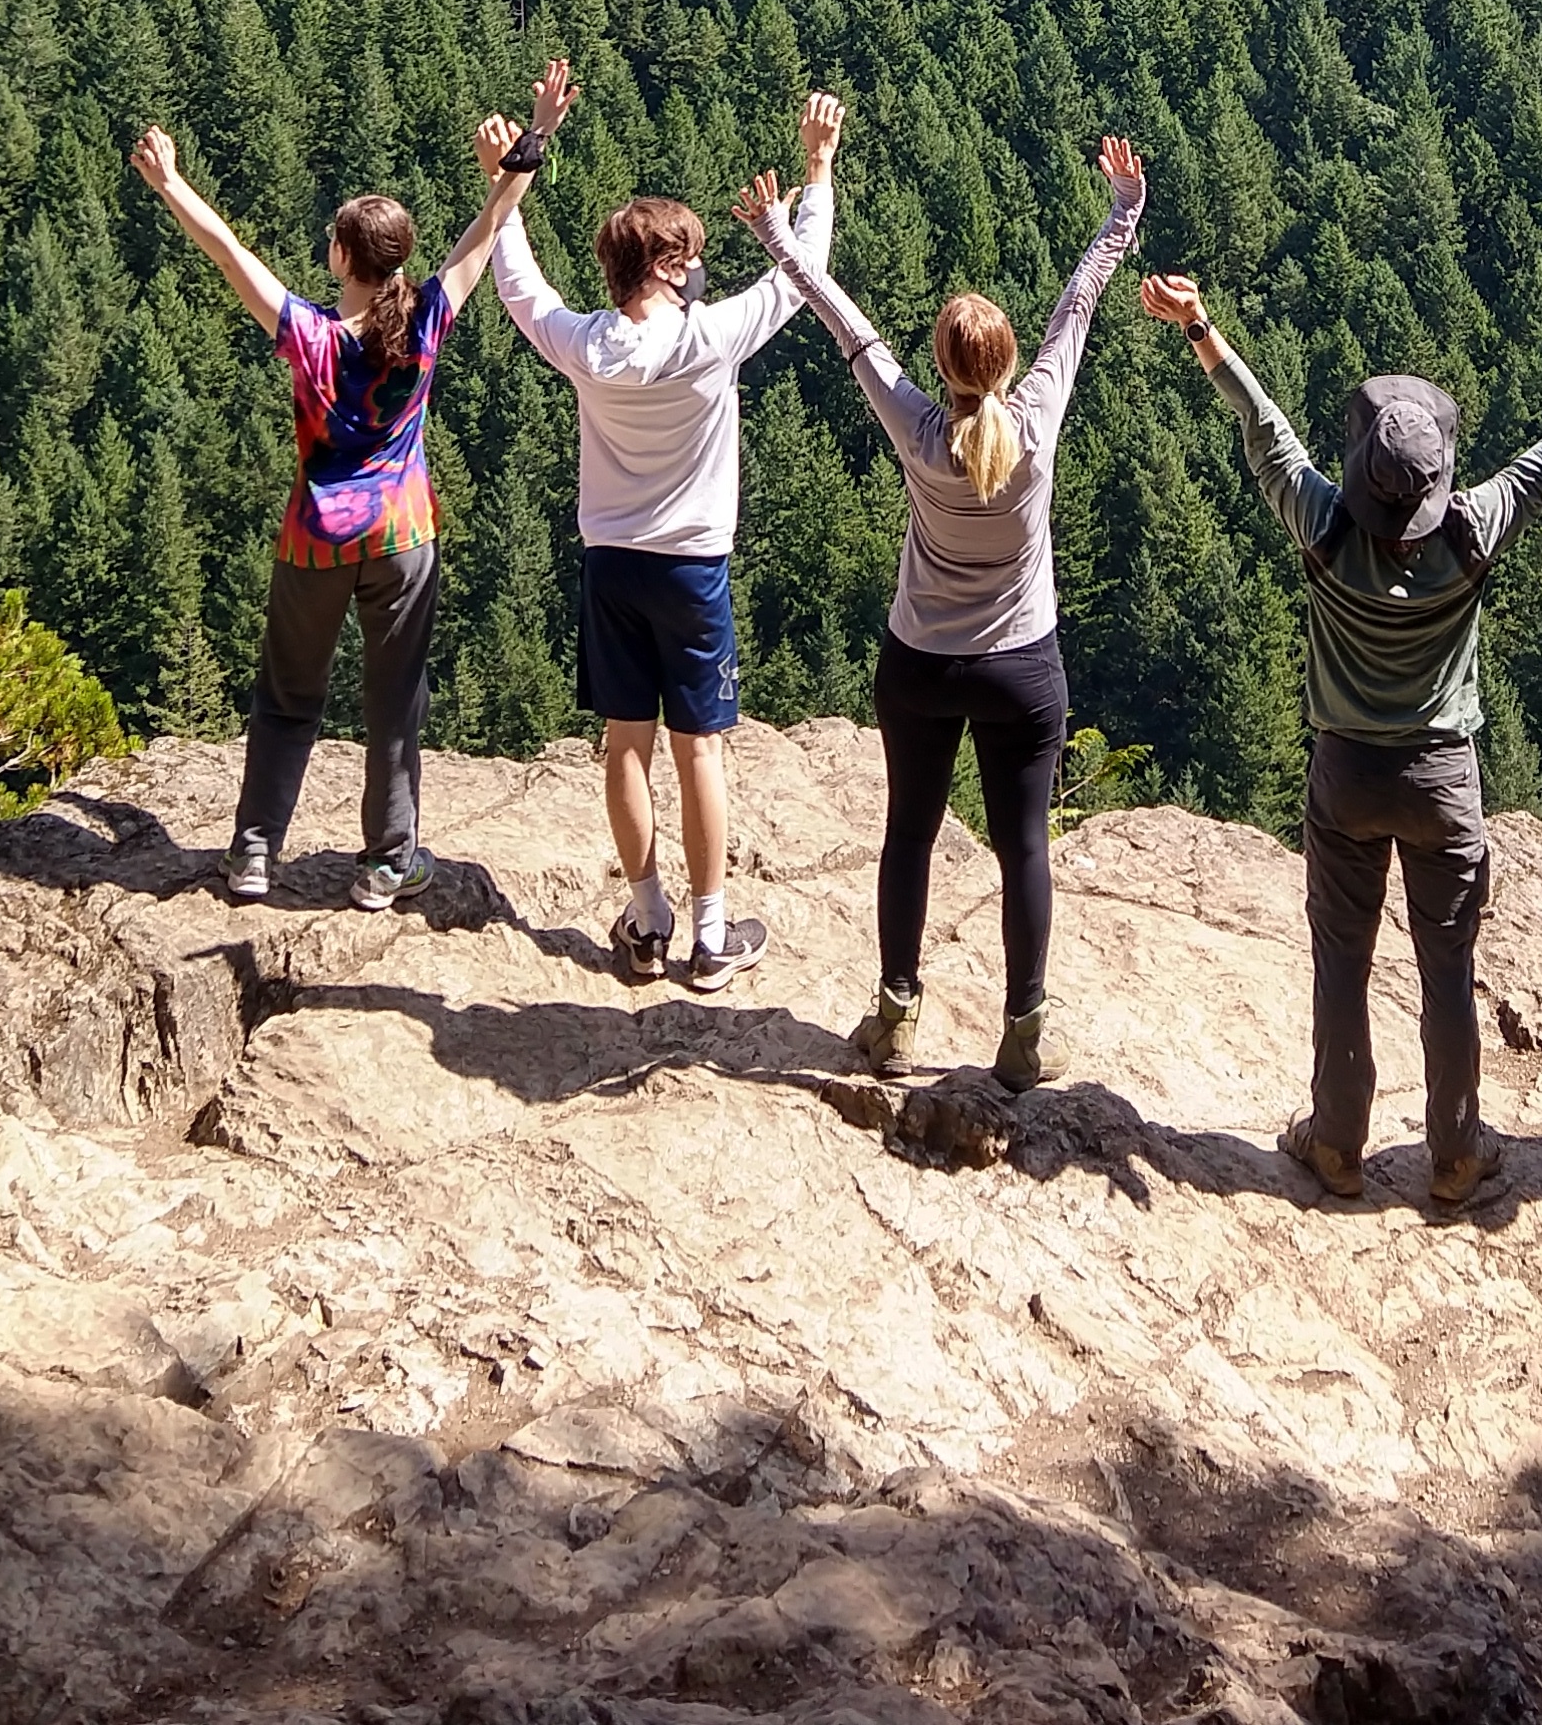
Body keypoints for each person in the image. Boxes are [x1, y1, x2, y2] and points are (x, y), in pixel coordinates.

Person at [1142, 269, 1542, 1208]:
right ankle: (1456, 1153)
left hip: (1346, 773)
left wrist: (1202, 327)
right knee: (1448, 967)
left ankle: (1337, 1141)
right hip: (1443, 779)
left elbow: (1264, 430)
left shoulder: (1325, 525)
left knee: (1342, 960)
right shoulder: (1471, 534)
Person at [733, 134, 1145, 1093]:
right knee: (1025, 845)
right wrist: (1123, 205)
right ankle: (1023, 1034)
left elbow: (847, 328)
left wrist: (775, 236)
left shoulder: (919, 429)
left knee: (910, 833)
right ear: (1005, 364)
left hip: (920, 660)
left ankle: (895, 1017)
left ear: (946, 365)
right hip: (1022, 666)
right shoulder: (1036, 421)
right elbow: (1077, 304)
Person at [485, 62, 844, 991]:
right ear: (670, 266)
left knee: (624, 745)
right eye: (690, 257)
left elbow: (518, 286)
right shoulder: (708, 338)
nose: (701, 270)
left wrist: (509, 180)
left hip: (612, 566)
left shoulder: (587, 347)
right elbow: (803, 280)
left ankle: (647, 921)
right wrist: (818, 169)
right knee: (701, 751)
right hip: (693, 570)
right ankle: (712, 936)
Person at [130, 111, 520, 911]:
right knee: (395, 700)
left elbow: (229, 252)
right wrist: (523, 151)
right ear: (401, 258)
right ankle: (387, 864)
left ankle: (252, 852)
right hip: (403, 534)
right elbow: (490, 226)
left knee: (287, 698)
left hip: (314, 539)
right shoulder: (429, 318)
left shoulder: (308, 334)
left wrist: (171, 183)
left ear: (341, 256)